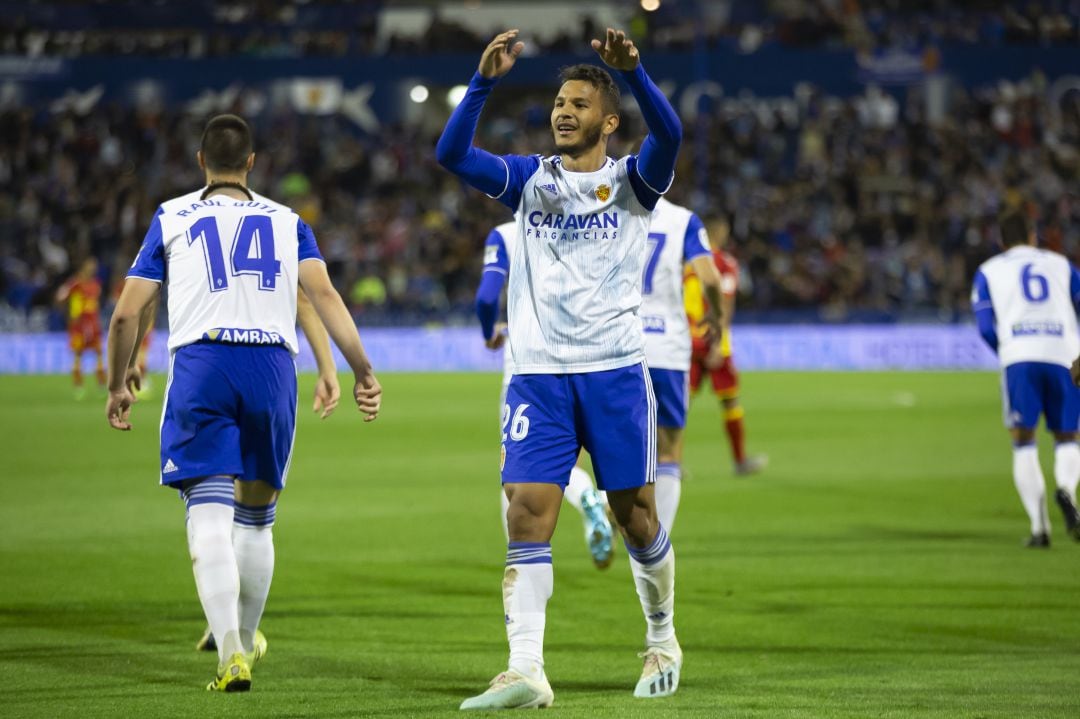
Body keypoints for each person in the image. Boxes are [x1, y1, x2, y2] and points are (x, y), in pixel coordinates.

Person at [437, 28, 708, 708]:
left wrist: (637, 72)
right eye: (559, 101)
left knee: (636, 516)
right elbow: (450, 154)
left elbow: (670, 136)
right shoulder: (529, 181)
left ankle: (662, 637)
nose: (562, 111)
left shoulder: (631, 183)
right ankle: (526, 666)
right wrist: (483, 81)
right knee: (527, 513)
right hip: (538, 375)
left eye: (579, 103)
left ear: (608, 121)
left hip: (615, 371)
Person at [105, 114, 382, 692]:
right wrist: (360, 370)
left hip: (203, 366)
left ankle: (229, 648)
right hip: (271, 367)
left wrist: (117, 383)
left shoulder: (174, 215)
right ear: (252, 163)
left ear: (201, 161)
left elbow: (129, 311)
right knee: (255, 520)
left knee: (208, 513)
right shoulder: (287, 221)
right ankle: (247, 639)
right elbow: (321, 295)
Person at [476, 219, 616, 568]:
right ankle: (591, 495)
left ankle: (520, 561)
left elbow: (486, 297)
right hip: (585, 363)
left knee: (515, 469)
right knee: (566, 461)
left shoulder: (506, 234)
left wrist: (488, 331)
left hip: (527, 370)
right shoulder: (583, 227)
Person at [972, 209, 1080, 547]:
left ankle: (1040, 529)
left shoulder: (988, 271)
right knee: (1068, 436)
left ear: (1001, 241)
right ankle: (1067, 491)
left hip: (1019, 355)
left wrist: (1007, 350)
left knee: (1023, 441)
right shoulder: (1063, 265)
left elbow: (986, 327)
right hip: (1064, 354)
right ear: (1033, 236)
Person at [642, 197, 724, 530]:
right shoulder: (682, 220)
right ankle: (656, 543)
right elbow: (711, 278)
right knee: (669, 451)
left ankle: (607, 506)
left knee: (613, 441)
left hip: (616, 345)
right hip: (667, 346)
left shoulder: (606, 209)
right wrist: (716, 316)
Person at [684, 216, 767, 475]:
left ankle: (667, 463)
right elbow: (726, 303)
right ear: (721, 232)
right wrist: (718, 344)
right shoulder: (724, 263)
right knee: (730, 401)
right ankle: (740, 461)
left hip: (686, 341)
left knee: (678, 405)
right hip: (715, 343)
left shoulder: (686, 262)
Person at [56, 257, 105, 399]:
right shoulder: (75, 284)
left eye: (94, 266)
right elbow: (60, 297)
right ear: (83, 267)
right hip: (79, 326)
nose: (93, 268)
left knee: (99, 353)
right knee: (78, 355)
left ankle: (101, 384)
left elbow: (96, 305)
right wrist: (70, 314)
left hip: (93, 324)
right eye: (91, 265)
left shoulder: (96, 284)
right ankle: (78, 386)